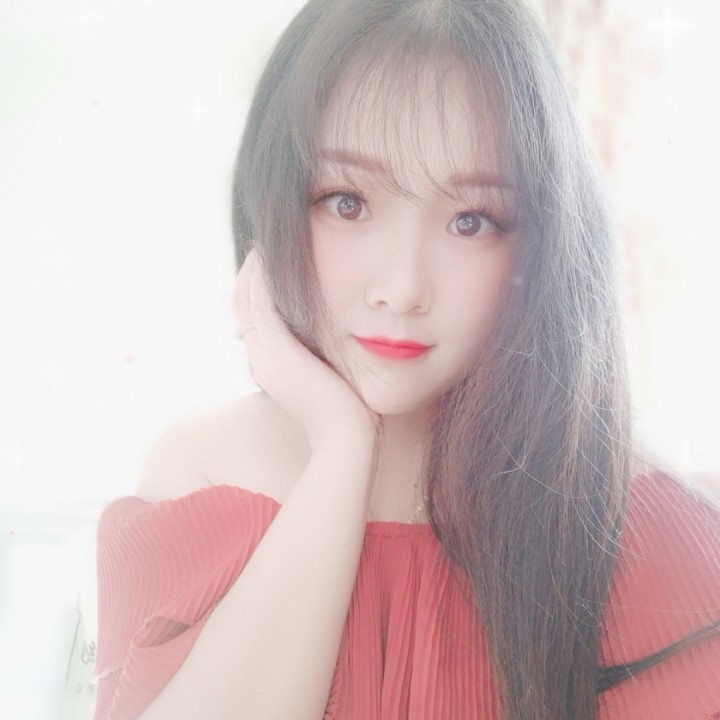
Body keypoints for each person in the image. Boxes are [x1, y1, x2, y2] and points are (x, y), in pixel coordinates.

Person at [92, 1, 720, 719]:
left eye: (470, 221)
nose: (402, 288)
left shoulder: (643, 526)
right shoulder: (201, 477)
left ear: (540, 241)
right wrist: (340, 449)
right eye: (347, 203)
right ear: (274, 199)